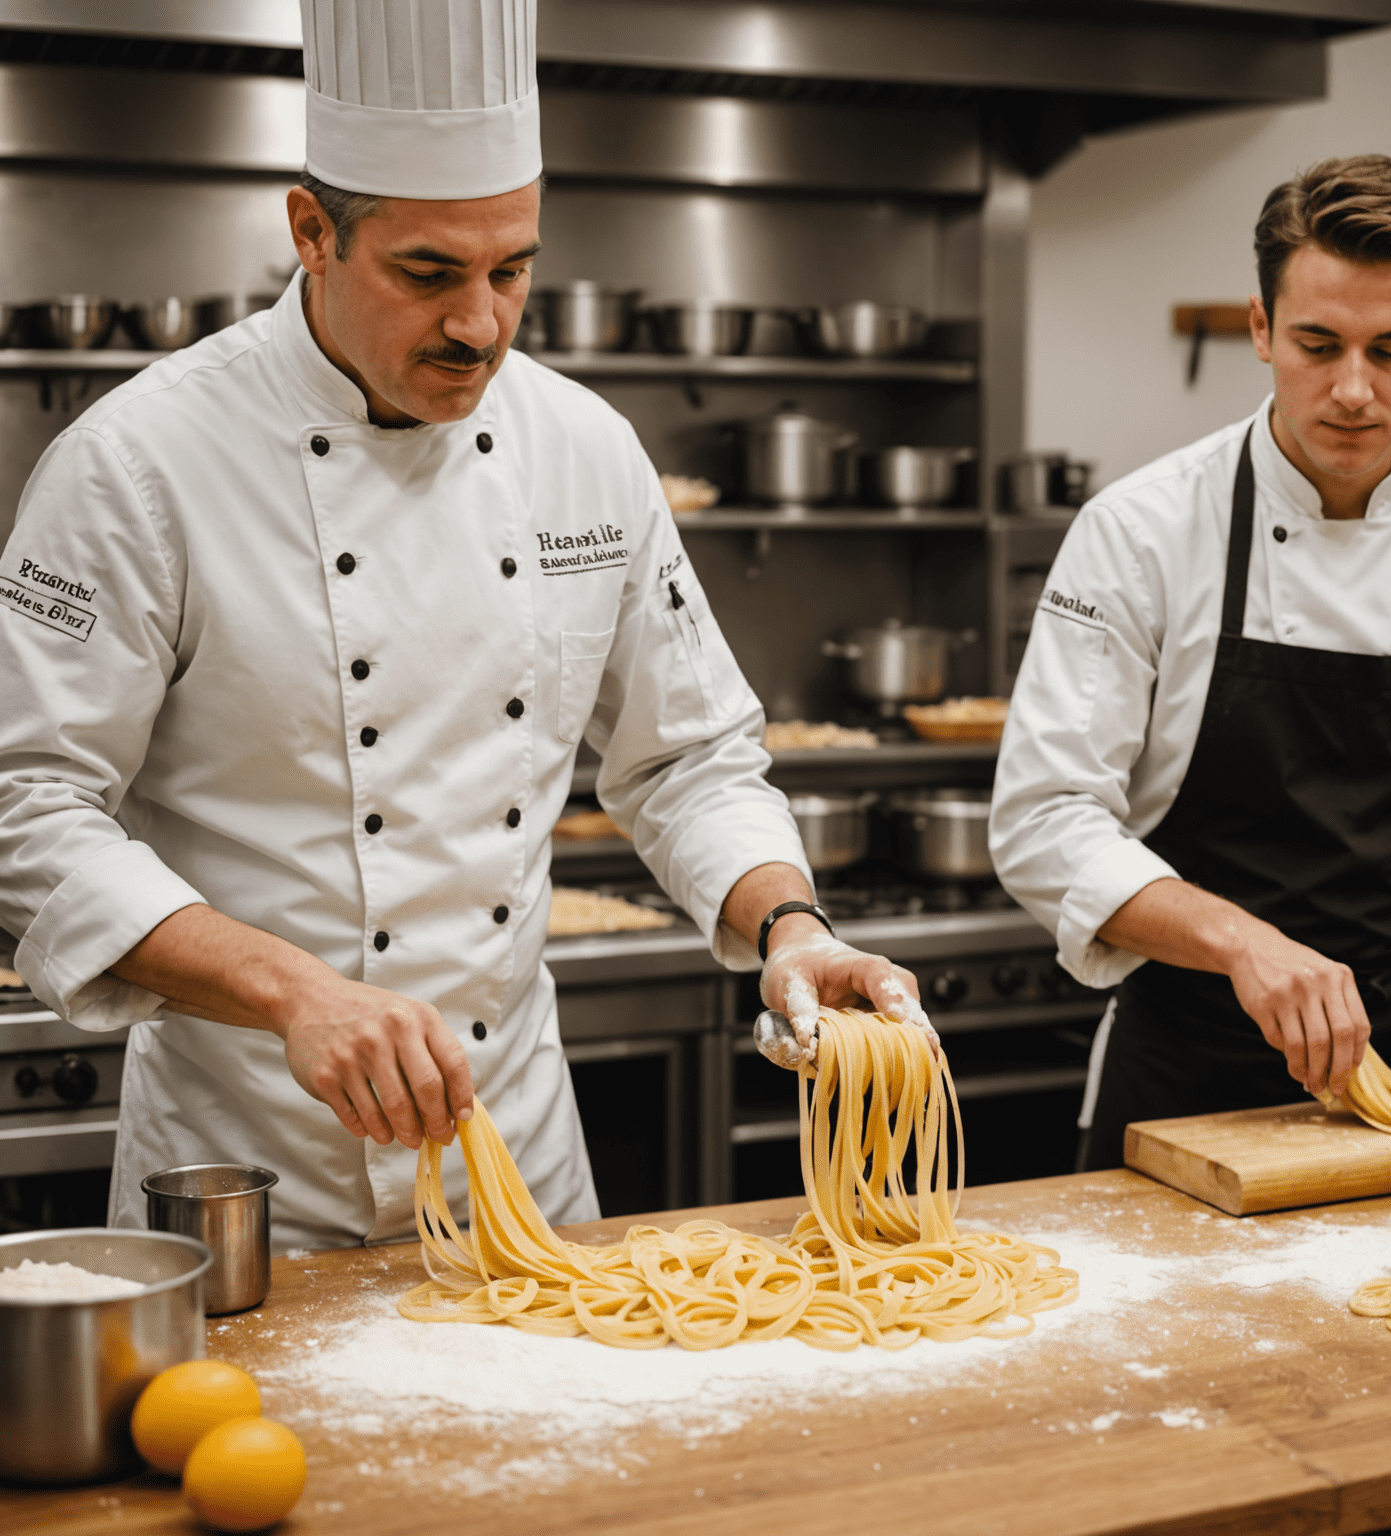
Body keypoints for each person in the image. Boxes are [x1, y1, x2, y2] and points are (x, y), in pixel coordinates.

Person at [0, 0, 930, 1249]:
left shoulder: (586, 451)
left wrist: (788, 925)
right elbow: (28, 804)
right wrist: (295, 994)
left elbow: (690, 755)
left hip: (520, 1176)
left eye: (513, 271)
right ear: (312, 232)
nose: (481, 325)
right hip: (248, 1183)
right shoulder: (140, 463)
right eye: (429, 274)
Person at [989, 155, 1391, 1170]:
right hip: (1184, 1086)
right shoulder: (1141, 534)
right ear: (1260, 329)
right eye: (1318, 345)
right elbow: (1044, 818)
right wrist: (1246, 946)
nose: (1354, 390)